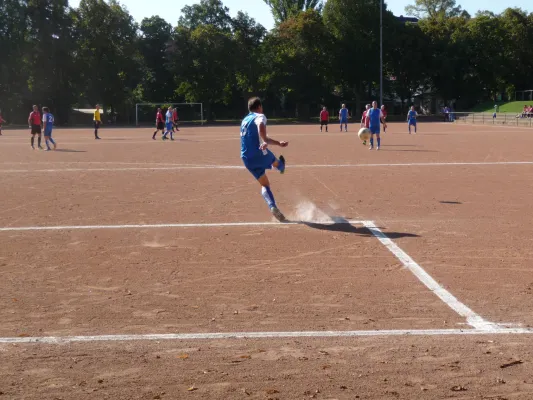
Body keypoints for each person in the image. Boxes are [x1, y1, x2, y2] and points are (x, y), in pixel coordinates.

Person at [241, 97, 288, 222]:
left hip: (246, 158)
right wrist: (265, 140)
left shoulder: (245, 120)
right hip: (259, 152)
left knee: (265, 184)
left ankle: (272, 206)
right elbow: (260, 126)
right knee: (277, 163)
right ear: (259, 107)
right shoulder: (260, 116)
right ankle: (281, 167)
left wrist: (266, 140)